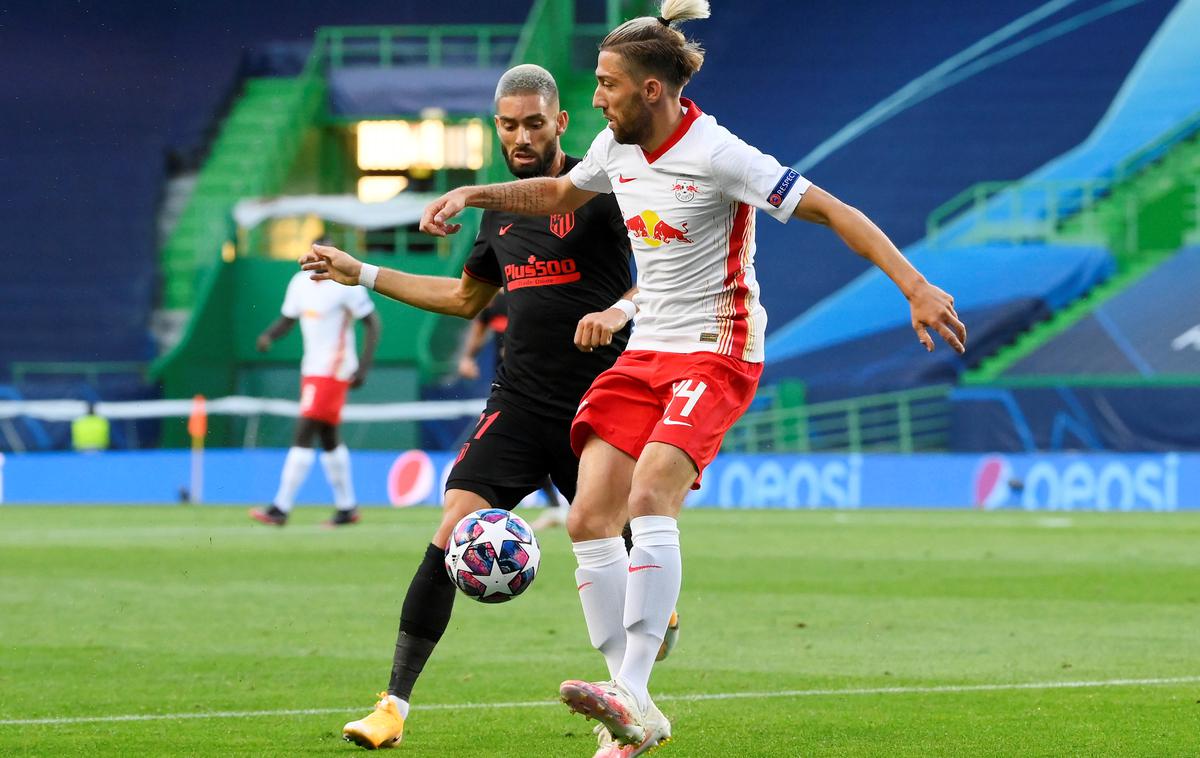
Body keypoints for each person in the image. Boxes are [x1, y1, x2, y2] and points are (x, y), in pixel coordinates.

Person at [417, 2, 969, 754]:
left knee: (649, 497)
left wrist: (915, 285)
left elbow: (835, 211)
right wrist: (473, 194)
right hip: (648, 353)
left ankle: (634, 694)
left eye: (608, 85)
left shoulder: (719, 155)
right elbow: (554, 195)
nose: (597, 100)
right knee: (587, 519)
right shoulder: (613, 151)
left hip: (718, 347)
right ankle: (630, 712)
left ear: (649, 90)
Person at [299, 64, 677, 753]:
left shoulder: (601, 192)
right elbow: (465, 299)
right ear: (496, 127)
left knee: (625, 566)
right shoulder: (500, 211)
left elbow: (668, 271)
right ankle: (392, 707)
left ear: (561, 123)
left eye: (536, 123)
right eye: (509, 124)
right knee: (452, 526)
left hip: (599, 408)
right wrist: (364, 272)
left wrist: (619, 307)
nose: (522, 136)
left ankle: (630, 703)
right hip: (521, 403)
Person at [248, 268, 380, 527]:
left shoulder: (346, 284)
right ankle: (347, 507)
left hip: (334, 369)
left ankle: (280, 507)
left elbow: (372, 323)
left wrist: (363, 367)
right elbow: (288, 318)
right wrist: (269, 336)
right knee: (328, 436)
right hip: (311, 368)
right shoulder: (300, 283)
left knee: (304, 431)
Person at [456, 290, 570, 529]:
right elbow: (480, 327)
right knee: (531, 446)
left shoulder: (536, 295)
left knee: (545, 445)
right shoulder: (493, 301)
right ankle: (556, 506)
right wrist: (467, 357)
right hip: (507, 389)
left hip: (543, 387)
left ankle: (564, 505)